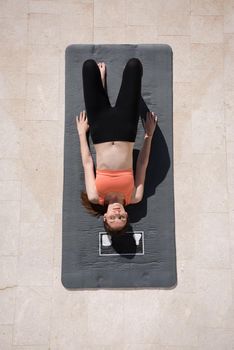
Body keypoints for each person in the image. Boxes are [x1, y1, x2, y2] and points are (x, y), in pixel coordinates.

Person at [76, 58, 157, 235]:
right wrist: (148, 135)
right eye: (121, 218)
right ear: (127, 215)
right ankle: (112, 90)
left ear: (105, 217)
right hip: (125, 128)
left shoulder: (95, 196)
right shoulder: (134, 196)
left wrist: (82, 133)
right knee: (134, 65)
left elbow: (88, 163)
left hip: (100, 129)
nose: (117, 214)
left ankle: (102, 83)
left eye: (112, 218)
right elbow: (142, 164)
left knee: (88, 66)